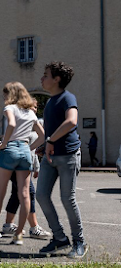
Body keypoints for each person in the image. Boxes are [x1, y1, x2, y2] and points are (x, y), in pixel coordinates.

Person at [36, 61, 88, 258]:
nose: (42, 78)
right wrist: (43, 145)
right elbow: (50, 131)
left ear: (57, 79)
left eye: (46, 75)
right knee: (41, 195)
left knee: (67, 199)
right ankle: (59, 238)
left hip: (68, 156)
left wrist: (50, 140)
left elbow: (71, 121)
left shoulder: (68, 98)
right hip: (50, 157)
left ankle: (79, 242)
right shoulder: (50, 101)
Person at [0, 82, 45, 246]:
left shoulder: (10, 108)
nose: (4, 98)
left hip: (10, 148)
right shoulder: (30, 113)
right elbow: (42, 135)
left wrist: (4, 143)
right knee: (25, 193)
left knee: (0, 192)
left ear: (10, 95)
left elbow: (11, 124)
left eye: (5, 94)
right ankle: (18, 234)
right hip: (25, 150)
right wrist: (30, 148)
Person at [1, 98, 51, 239]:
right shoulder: (26, 119)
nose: (36, 109)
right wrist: (28, 150)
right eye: (34, 106)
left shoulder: (23, 119)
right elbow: (40, 138)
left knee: (17, 192)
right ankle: (34, 227)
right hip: (18, 160)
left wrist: (35, 162)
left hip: (17, 158)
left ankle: (8, 225)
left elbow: (40, 140)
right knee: (28, 192)